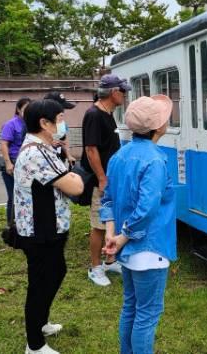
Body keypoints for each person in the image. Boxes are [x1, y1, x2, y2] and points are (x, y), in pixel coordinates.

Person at [101, 95, 177, 354]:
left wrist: (112, 235)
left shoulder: (119, 156)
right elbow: (147, 208)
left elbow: (108, 198)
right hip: (149, 247)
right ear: (158, 127)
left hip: (128, 250)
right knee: (147, 314)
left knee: (131, 307)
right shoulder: (156, 160)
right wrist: (122, 237)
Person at [14, 99, 84, 354]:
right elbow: (75, 185)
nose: (63, 123)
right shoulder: (36, 152)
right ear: (44, 123)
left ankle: (41, 323)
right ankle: (34, 345)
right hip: (40, 230)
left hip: (48, 226)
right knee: (41, 282)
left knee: (56, 272)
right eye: (60, 118)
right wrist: (73, 175)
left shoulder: (44, 148)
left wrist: (69, 172)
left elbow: (68, 176)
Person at [81, 74, 130, 286]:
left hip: (111, 179)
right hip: (100, 180)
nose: (125, 96)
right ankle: (95, 267)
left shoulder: (108, 113)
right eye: (123, 91)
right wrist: (102, 178)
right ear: (114, 92)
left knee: (112, 221)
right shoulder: (94, 114)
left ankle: (110, 261)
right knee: (99, 224)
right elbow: (91, 149)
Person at [0, 97, 31, 224]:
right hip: (13, 163)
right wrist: (8, 163)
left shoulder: (31, 123)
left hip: (27, 165)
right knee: (13, 196)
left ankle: (25, 221)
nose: (28, 112)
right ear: (18, 109)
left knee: (26, 196)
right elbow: (4, 144)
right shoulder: (11, 124)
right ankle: (11, 224)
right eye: (25, 109)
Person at [42, 92, 76, 165]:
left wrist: (68, 155)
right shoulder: (40, 123)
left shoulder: (62, 122)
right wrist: (50, 143)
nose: (62, 111)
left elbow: (64, 139)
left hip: (60, 158)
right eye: (60, 108)